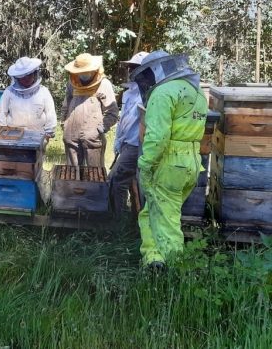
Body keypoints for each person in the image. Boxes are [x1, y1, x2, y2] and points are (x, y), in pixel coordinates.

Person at [131, 50, 207, 269]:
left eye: (146, 75)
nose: (145, 81)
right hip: (191, 162)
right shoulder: (196, 92)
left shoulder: (163, 93)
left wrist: (145, 164)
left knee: (167, 221)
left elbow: (158, 137)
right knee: (153, 212)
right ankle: (154, 260)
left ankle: (174, 272)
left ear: (156, 71)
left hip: (168, 164)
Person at [61, 53, 119, 167]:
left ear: (93, 70)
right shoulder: (72, 83)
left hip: (93, 138)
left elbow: (112, 112)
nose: (83, 74)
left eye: (86, 71)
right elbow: (66, 104)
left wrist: (101, 128)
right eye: (80, 72)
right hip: (71, 135)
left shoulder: (104, 84)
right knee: (71, 172)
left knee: (95, 172)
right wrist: (64, 123)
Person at [109, 51, 148, 215]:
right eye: (130, 67)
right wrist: (119, 141)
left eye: (134, 68)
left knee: (116, 179)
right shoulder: (130, 91)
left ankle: (119, 218)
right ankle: (130, 215)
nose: (131, 71)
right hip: (127, 143)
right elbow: (124, 119)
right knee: (126, 180)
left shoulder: (148, 93)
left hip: (135, 145)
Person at [0, 57, 57, 138]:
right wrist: (1, 131)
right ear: (17, 78)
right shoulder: (9, 92)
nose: (26, 79)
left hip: (38, 134)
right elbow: (2, 114)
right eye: (22, 77)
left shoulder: (43, 91)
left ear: (34, 74)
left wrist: (49, 131)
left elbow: (50, 113)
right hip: (13, 135)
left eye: (29, 75)